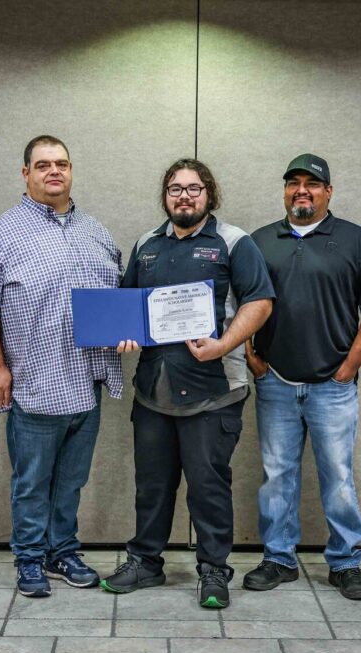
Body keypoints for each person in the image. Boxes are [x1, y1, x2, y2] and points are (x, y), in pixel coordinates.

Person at [99, 158, 274, 609]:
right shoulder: (147, 244)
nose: (184, 196)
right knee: (152, 484)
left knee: (208, 485)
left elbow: (260, 302)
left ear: (209, 195)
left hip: (213, 390)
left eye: (194, 188)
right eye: (175, 188)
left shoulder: (234, 242)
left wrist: (223, 344)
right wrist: (122, 330)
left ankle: (214, 569)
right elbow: (129, 305)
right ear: (165, 196)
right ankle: (145, 562)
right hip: (155, 388)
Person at [0, 135, 123, 598]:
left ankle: (62, 551)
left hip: (87, 381)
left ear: (72, 170)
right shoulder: (1, 234)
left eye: (63, 164)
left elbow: (114, 302)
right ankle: (29, 558)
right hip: (35, 382)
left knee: (71, 480)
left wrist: (128, 330)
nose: (55, 171)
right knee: (32, 482)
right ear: (26, 173)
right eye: (43, 164)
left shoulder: (96, 231)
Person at [243, 154, 361, 601]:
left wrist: (348, 368)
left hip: (333, 386)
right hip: (276, 383)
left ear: (329, 191)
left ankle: (346, 562)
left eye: (313, 183)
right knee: (277, 475)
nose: (302, 190)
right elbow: (240, 304)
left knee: (338, 476)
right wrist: (251, 355)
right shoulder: (259, 242)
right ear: (285, 191)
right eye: (294, 183)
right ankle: (278, 559)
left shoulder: (356, 241)